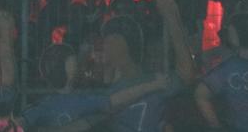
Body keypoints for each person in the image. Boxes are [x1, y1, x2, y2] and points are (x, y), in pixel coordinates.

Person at [20, 43, 170, 131]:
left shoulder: (47, 104)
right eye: (72, 63)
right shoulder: (79, 100)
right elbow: (116, 100)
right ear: (65, 69)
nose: (77, 65)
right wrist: (154, 85)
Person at [104, 0, 195, 132]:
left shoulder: (152, 81)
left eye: (109, 43)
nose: (103, 50)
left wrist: (171, 17)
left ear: (124, 47)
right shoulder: (107, 88)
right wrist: (171, 16)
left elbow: (186, 74)